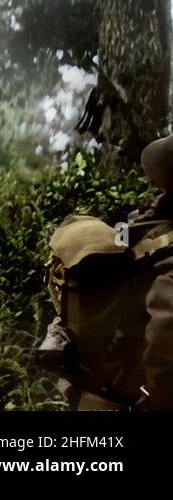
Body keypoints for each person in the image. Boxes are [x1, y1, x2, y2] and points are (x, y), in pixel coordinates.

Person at [39, 134, 173, 410]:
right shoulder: (165, 247)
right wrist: (154, 401)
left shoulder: (143, 223)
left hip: (100, 385)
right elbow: (166, 341)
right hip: (126, 398)